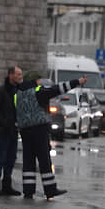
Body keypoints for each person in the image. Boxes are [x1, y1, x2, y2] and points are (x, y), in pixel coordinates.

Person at [15, 70, 86, 200]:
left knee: (28, 161)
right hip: (39, 129)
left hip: (25, 130)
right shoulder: (38, 92)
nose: (39, 82)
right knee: (44, 160)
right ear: (34, 81)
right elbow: (57, 89)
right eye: (38, 80)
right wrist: (77, 82)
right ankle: (50, 189)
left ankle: (28, 190)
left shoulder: (18, 94)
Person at [0, 65, 23, 196]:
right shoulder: (0, 91)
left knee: (11, 158)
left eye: (21, 74)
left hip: (14, 130)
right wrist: (3, 123)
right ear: (11, 75)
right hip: (2, 130)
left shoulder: (18, 91)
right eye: (18, 74)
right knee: (0, 157)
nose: (21, 77)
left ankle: (7, 185)